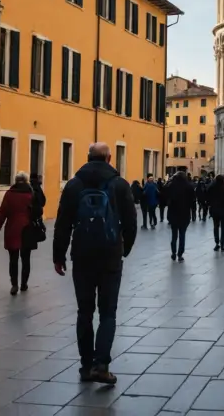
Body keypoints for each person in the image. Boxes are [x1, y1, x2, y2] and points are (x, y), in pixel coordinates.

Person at [53, 142, 137, 385]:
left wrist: (59, 256)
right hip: (110, 255)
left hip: (82, 255)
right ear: (110, 158)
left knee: (84, 312)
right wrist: (124, 248)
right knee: (108, 312)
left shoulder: (74, 184)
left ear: (87, 157)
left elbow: (62, 223)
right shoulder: (120, 184)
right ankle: (102, 365)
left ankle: (85, 365)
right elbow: (131, 222)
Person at [0, 171, 41, 295]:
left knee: (13, 259)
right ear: (25, 181)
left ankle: (14, 285)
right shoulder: (31, 194)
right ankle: (24, 284)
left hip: (12, 230)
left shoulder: (9, 194)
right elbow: (38, 210)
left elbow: (2, 213)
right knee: (26, 259)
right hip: (27, 229)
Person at [166, 171, 195, 261]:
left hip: (173, 213)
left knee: (174, 235)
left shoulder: (171, 186)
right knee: (182, 235)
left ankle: (173, 253)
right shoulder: (189, 186)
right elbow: (192, 201)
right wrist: (193, 211)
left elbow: (165, 195)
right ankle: (180, 254)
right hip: (185, 214)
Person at [207, 174, 224, 251]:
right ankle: (222, 244)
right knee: (223, 228)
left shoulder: (212, 186)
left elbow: (207, 197)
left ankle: (217, 243)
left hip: (215, 210)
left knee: (216, 227)